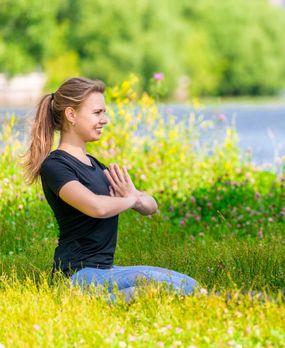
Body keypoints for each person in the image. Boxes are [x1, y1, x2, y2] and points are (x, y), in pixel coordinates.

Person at [23, 77, 198, 302]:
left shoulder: (97, 166)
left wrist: (134, 198)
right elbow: (96, 207)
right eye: (97, 113)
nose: (104, 120)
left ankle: (117, 298)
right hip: (76, 275)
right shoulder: (56, 166)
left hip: (105, 271)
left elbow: (151, 206)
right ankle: (94, 299)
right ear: (71, 115)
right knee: (159, 283)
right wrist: (131, 199)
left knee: (186, 283)